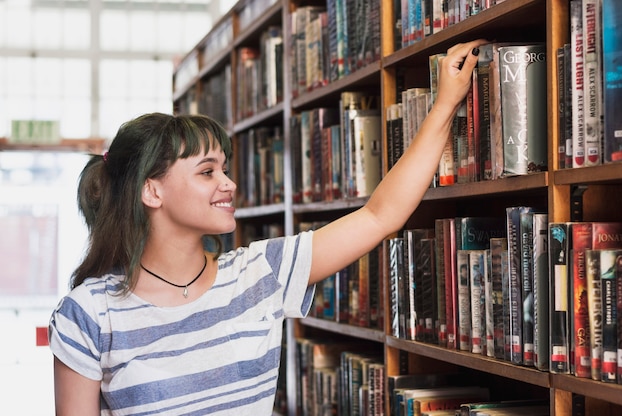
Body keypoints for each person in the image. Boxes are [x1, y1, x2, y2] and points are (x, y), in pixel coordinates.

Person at [49, 39, 487, 415]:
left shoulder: (262, 273)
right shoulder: (89, 315)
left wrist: (445, 103)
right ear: (152, 192)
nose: (229, 184)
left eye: (226, 168)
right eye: (207, 172)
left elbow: (380, 215)